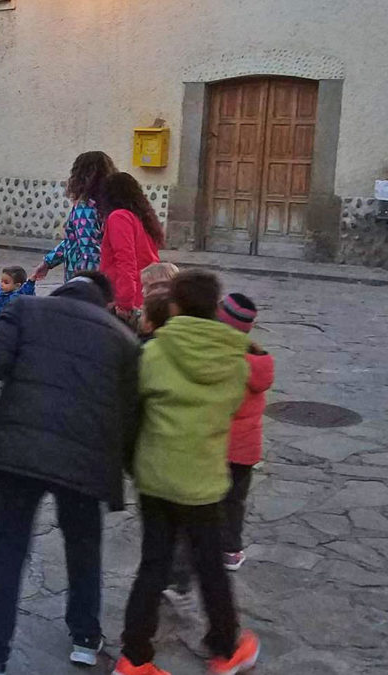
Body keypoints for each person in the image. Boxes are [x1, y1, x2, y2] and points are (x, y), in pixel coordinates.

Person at [0, 271, 141, 674]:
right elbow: (132, 415)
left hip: (21, 453)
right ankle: (85, 638)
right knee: (84, 546)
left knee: (9, 550)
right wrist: (133, 469)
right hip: (85, 463)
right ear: (102, 301)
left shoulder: (25, 310)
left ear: (64, 289)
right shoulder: (123, 339)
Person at [115, 270, 259, 675]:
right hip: (203, 480)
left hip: (156, 477)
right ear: (214, 308)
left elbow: (130, 411)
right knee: (211, 566)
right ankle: (225, 647)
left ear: (174, 306)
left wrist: (133, 462)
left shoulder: (153, 353)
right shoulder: (235, 360)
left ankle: (135, 656)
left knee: (153, 565)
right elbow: (230, 409)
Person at [216, 293, 274, 571]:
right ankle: (231, 551)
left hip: (216, 442)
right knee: (235, 501)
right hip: (245, 448)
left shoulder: (221, 358)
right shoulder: (258, 359)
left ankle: (204, 544)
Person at [33, 151, 117, 283]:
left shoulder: (85, 208)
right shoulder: (108, 203)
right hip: (108, 277)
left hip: (85, 283)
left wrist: (85, 285)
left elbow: (89, 250)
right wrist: (48, 262)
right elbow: (73, 241)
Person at [98, 172, 163, 323]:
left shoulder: (119, 217)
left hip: (126, 299)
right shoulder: (143, 217)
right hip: (145, 292)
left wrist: (124, 303)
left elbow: (125, 260)